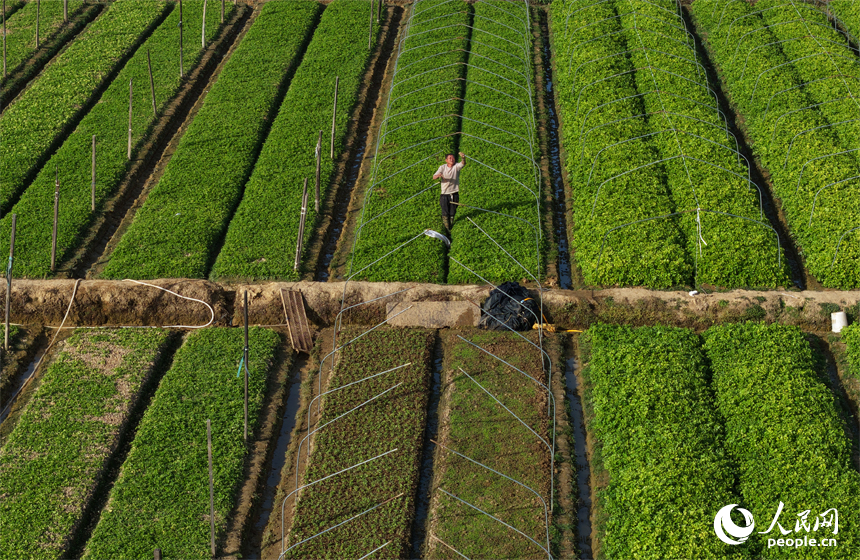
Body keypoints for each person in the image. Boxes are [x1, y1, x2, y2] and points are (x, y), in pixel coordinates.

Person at [433, 152, 466, 232]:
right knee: (445, 212)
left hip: (454, 193)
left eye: (453, 158)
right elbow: (434, 177)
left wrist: (463, 158)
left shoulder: (456, 167)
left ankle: (451, 227)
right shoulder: (442, 167)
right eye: (450, 158)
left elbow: (463, 163)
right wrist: (438, 176)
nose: (452, 159)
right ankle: (447, 228)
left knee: (452, 212)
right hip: (444, 194)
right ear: (446, 160)